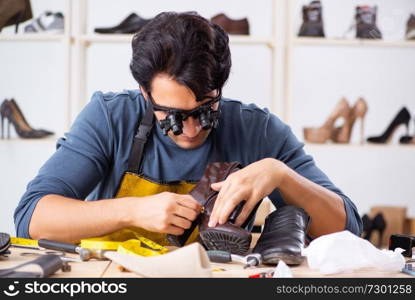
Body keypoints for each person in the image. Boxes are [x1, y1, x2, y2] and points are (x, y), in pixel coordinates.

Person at [14, 12, 362, 244]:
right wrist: (131, 211)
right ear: (144, 93)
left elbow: (348, 230)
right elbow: (32, 218)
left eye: (206, 110)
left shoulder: (257, 129)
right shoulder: (110, 117)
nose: (192, 130)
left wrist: (280, 174)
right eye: (174, 116)